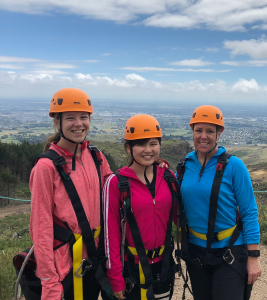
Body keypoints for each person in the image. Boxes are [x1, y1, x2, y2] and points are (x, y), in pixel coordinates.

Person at [29, 88, 113, 300]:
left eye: (84, 117)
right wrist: (49, 282)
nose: (79, 124)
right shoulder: (46, 167)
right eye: (70, 118)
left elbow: (115, 190)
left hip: (95, 258)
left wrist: (150, 169)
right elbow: (42, 227)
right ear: (57, 123)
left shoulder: (95, 156)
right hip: (66, 266)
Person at [178, 105, 261, 300]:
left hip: (229, 251)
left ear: (219, 133)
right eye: (199, 130)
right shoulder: (184, 166)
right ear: (192, 131)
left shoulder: (234, 166)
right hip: (196, 251)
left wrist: (253, 257)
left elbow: (249, 212)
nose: (203, 136)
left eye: (209, 131)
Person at [103, 114, 178, 300]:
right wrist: (115, 278)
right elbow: (110, 233)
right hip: (131, 268)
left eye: (153, 143)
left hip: (163, 265)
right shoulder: (116, 183)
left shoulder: (168, 178)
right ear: (129, 148)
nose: (148, 150)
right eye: (140, 144)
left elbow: (181, 217)